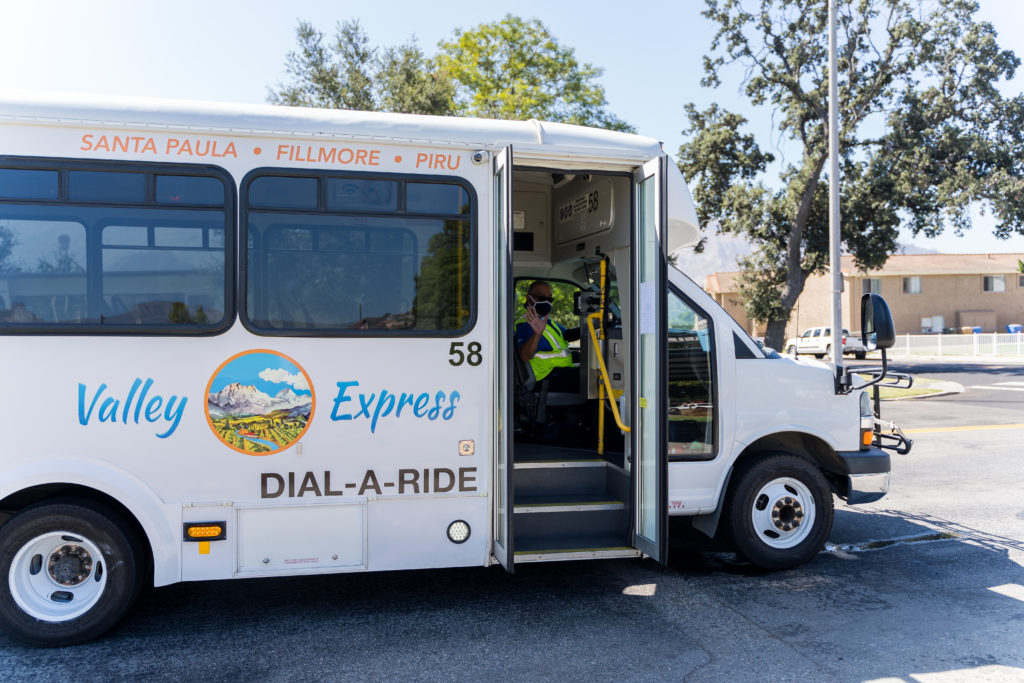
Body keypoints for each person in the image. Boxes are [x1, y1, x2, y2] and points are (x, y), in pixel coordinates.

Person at [515, 280, 581, 393]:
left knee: (585, 364)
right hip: (545, 378)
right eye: (541, 298)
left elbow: (566, 335)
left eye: (549, 299)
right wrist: (537, 334)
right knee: (595, 380)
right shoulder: (525, 322)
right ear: (528, 298)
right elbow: (524, 356)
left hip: (558, 372)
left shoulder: (545, 319)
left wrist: (592, 326)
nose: (546, 302)